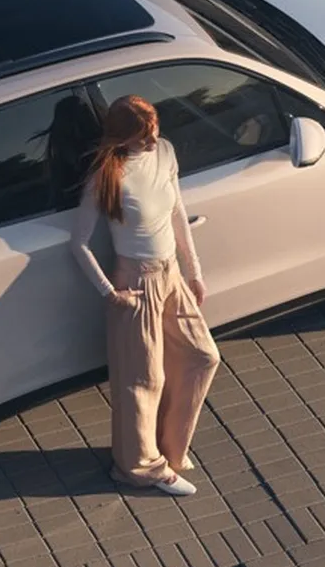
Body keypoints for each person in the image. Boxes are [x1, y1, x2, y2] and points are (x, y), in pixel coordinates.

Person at [71, 96, 219, 498]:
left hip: (169, 272)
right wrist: (111, 293)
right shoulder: (107, 177)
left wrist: (194, 274)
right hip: (135, 282)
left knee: (202, 356)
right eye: (143, 137)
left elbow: (178, 214)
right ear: (123, 137)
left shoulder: (165, 152)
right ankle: (138, 468)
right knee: (141, 380)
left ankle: (168, 450)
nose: (153, 142)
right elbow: (79, 243)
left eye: (154, 132)